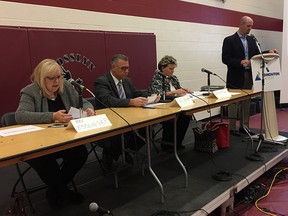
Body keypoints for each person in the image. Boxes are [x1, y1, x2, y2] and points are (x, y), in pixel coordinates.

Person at [15, 59, 95, 209]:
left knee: (80, 153)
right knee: (46, 162)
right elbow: (20, 115)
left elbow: (84, 102)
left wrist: (89, 109)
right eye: (51, 78)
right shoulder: (30, 91)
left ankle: (56, 190)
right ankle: (62, 191)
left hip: (63, 139)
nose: (56, 81)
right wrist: (52, 116)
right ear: (40, 78)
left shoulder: (66, 87)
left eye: (59, 77)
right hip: (37, 144)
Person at [94, 54, 160, 170]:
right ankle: (110, 153)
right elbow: (107, 100)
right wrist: (131, 102)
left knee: (148, 129)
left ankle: (124, 150)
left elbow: (137, 93)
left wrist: (151, 96)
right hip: (110, 119)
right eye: (123, 68)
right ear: (113, 67)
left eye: (128, 68)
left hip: (129, 117)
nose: (127, 71)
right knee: (118, 135)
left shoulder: (127, 81)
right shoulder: (101, 81)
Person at [222, 16, 278, 135]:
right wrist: (239, 62)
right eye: (248, 26)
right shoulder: (229, 40)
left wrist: (268, 52)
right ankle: (232, 128)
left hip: (249, 75)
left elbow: (257, 55)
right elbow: (225, 58)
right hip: (235, 75)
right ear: (241, 24)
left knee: (246, 101)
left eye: (251, 26)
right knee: (234, 102)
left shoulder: (251, 40)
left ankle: (244, 126)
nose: (250, 28)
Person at [149, 55, 192, 152]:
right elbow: (157, 94)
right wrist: (175, 92)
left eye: (173, 69)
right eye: (170, 68)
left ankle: (177, 142)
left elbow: (178, 88)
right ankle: (167, 144)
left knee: (186, 116)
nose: (172, 71)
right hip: (163, 105)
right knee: (171, 120)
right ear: (163, 68)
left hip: (175, 103)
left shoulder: (174, 78)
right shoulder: (157, 78)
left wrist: (185, 90)